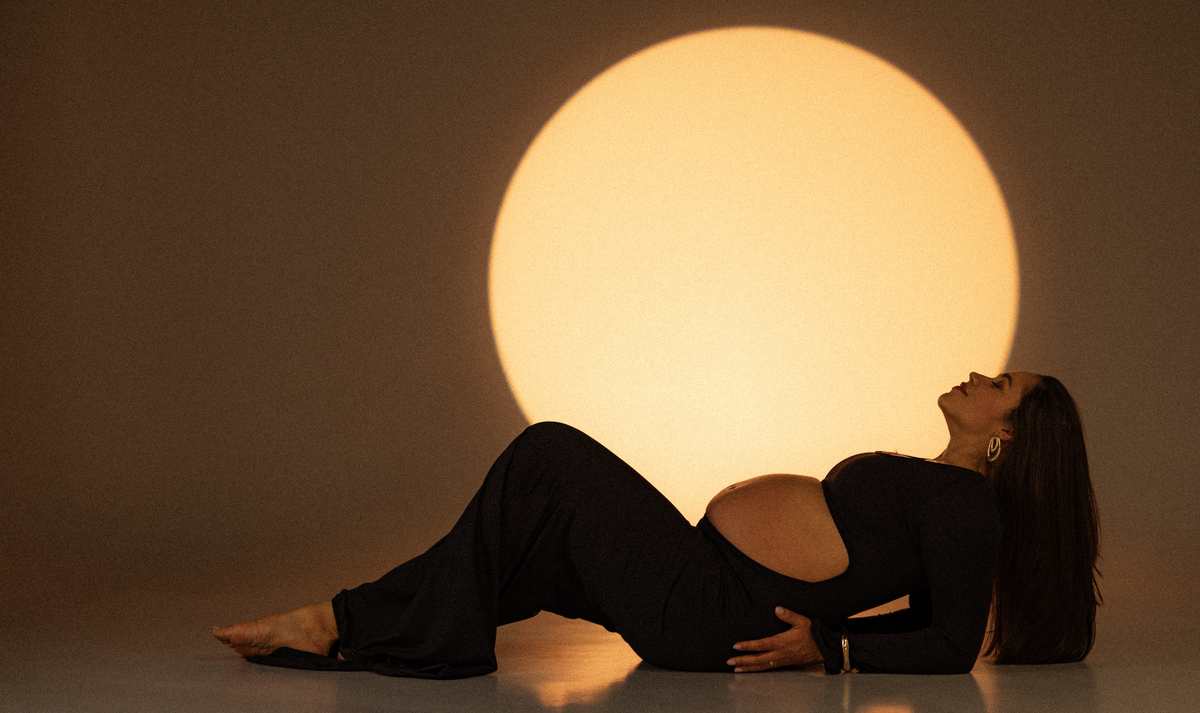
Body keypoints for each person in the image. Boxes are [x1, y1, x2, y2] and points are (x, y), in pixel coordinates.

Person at [214, 371, 1100, 676]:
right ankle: (342, 623)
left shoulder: (967, 505)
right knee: (531, 535)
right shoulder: (943, 489)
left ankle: (351, 624)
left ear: (1009, 434)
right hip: (706, 586)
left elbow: (948, 641)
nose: (976, 376)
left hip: (713, 613)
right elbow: (928, 617)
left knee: (550, 454)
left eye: (998, 385)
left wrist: (830, 647)